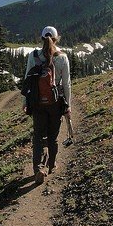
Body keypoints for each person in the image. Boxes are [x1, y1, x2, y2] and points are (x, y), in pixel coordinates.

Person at [23, 26, 72, 185]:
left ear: (41, 38)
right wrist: (68, 106)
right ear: (57, 38)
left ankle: (39, 168)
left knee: (38, 136)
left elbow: (27, 80)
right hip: (55, 102)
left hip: (37, 102)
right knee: (53, 135)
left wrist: (25, 101)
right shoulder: (62, 57)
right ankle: (51, 165)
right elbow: (66, 84)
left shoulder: (34, 55)